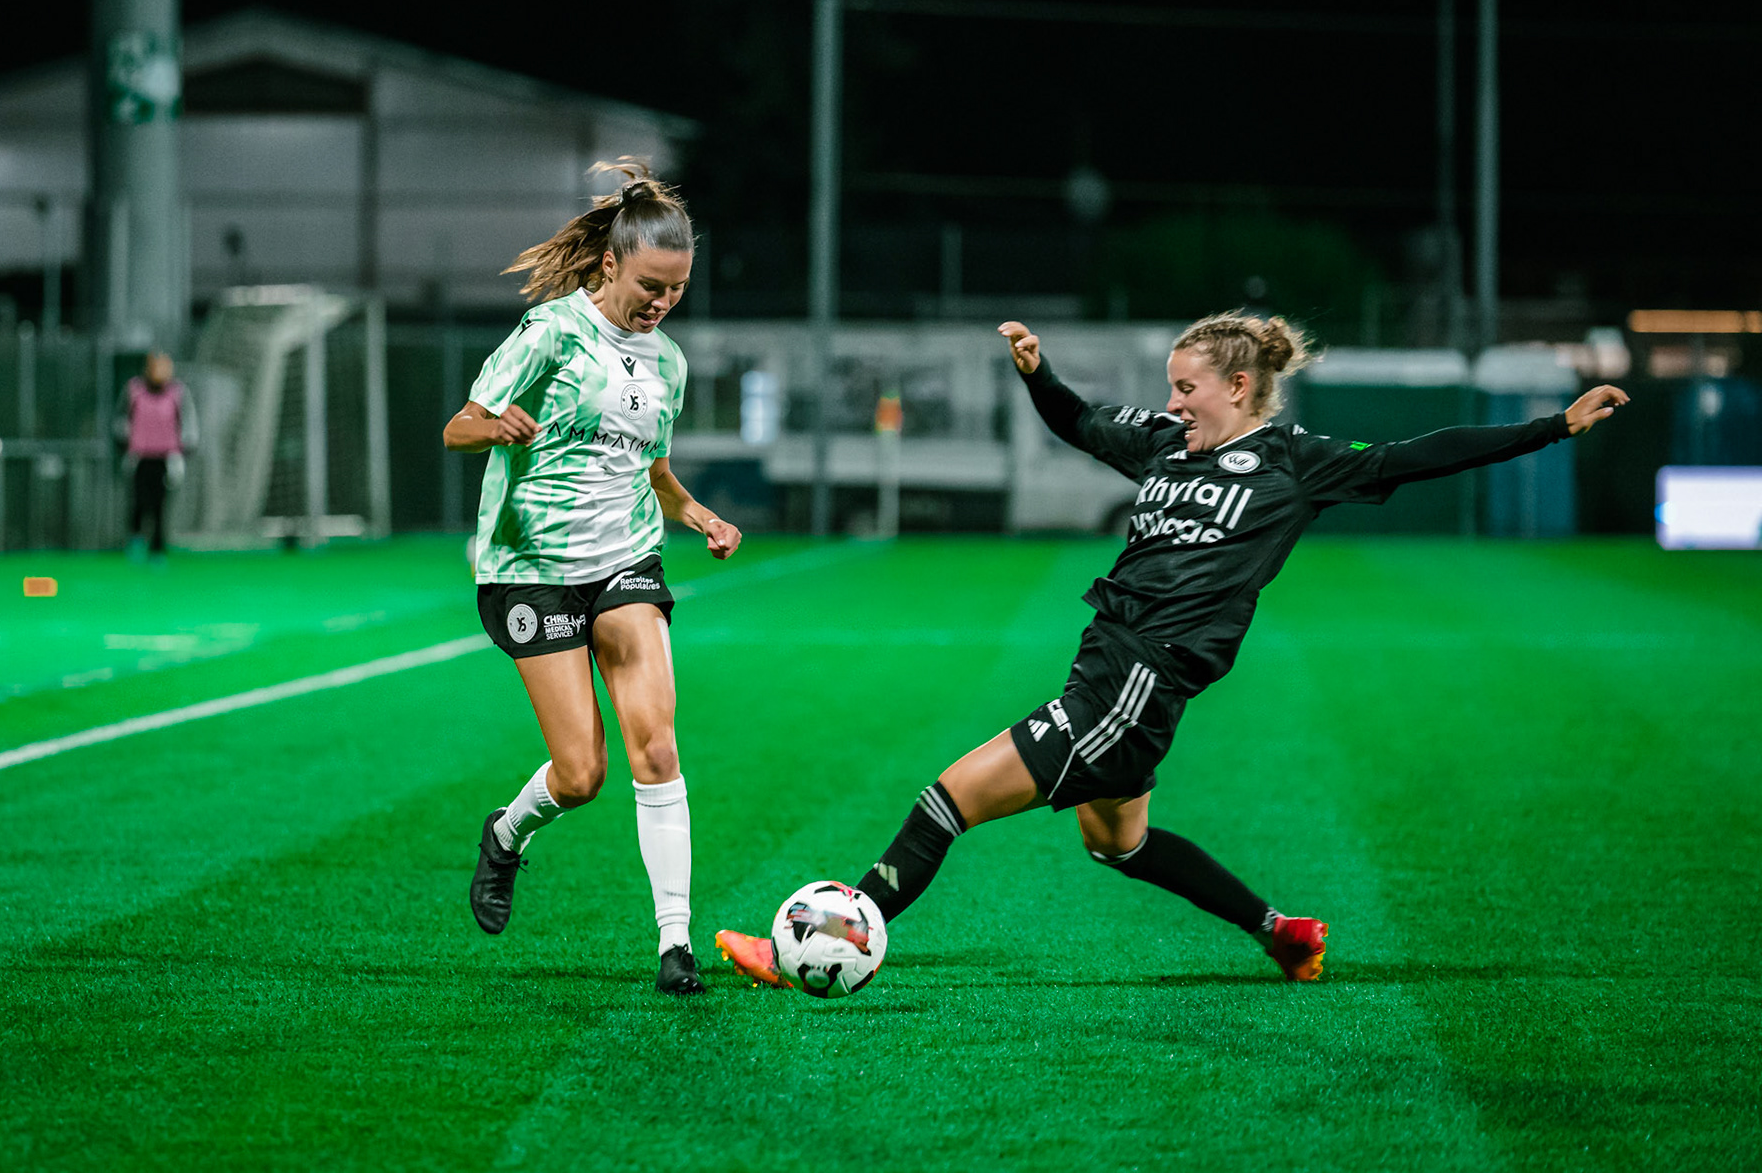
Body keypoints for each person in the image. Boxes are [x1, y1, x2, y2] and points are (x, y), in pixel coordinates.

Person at [719, 312, 1629, 986]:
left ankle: (837, 939)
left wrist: (1555, 426)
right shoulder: (1163, 445)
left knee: (945, 801)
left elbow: (1419, 453)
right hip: (1112, 670)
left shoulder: (1294, 462)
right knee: (1119, 844)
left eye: (1186, 387)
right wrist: (1038, 374)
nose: (1170, 401)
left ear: (1238, 388)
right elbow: (1079, 423)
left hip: (1135, 683)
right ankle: (1284, 933)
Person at [443, 158, 742, 996]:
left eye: (677, 290)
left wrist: (699, 515)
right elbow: (455, 429)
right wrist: (494, 424)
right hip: (529, 570)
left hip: (624, 562)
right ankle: (505, 836)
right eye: (651, 285)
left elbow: (651, 467)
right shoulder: (551, 333)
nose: (661, 304)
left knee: (657, 744)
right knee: (581, 775)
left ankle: (673, 944)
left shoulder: (668, 365)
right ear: (611, 264)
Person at [116, 351, 198, 560]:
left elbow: (188, 424)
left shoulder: (178, 393)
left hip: (166, 458)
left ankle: (158, 548)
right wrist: (124, 446)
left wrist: (184, 450)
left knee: (160, 505)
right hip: (140, 456)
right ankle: (135, 540)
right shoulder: (134, 391)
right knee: (139, 501)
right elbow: (121, 420)